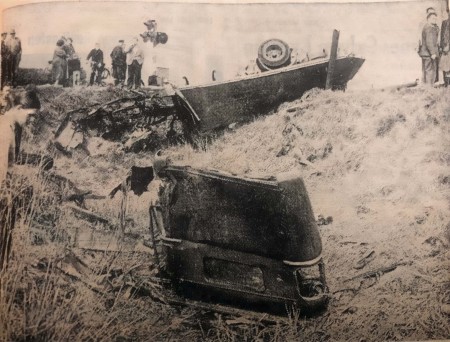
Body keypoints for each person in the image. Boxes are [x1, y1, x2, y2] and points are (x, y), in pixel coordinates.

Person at [419, 12, 440, 86]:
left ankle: (427, 88)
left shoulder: (429, 26)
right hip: (429, 54)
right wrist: (433, 53)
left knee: (427, 71)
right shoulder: (428, 28)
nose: (434, 20)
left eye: (435, 18)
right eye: (433, 18)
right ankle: (429, 89)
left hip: (426, 53)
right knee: (430, 71)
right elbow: (429, 42)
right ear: (428, 19)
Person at [440, 7, 450, 86]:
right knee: (445, 66)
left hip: (449, 48)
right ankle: (446, 83)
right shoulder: (444, 23)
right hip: (444, 49)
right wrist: (442, 47)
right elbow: (442, 36)